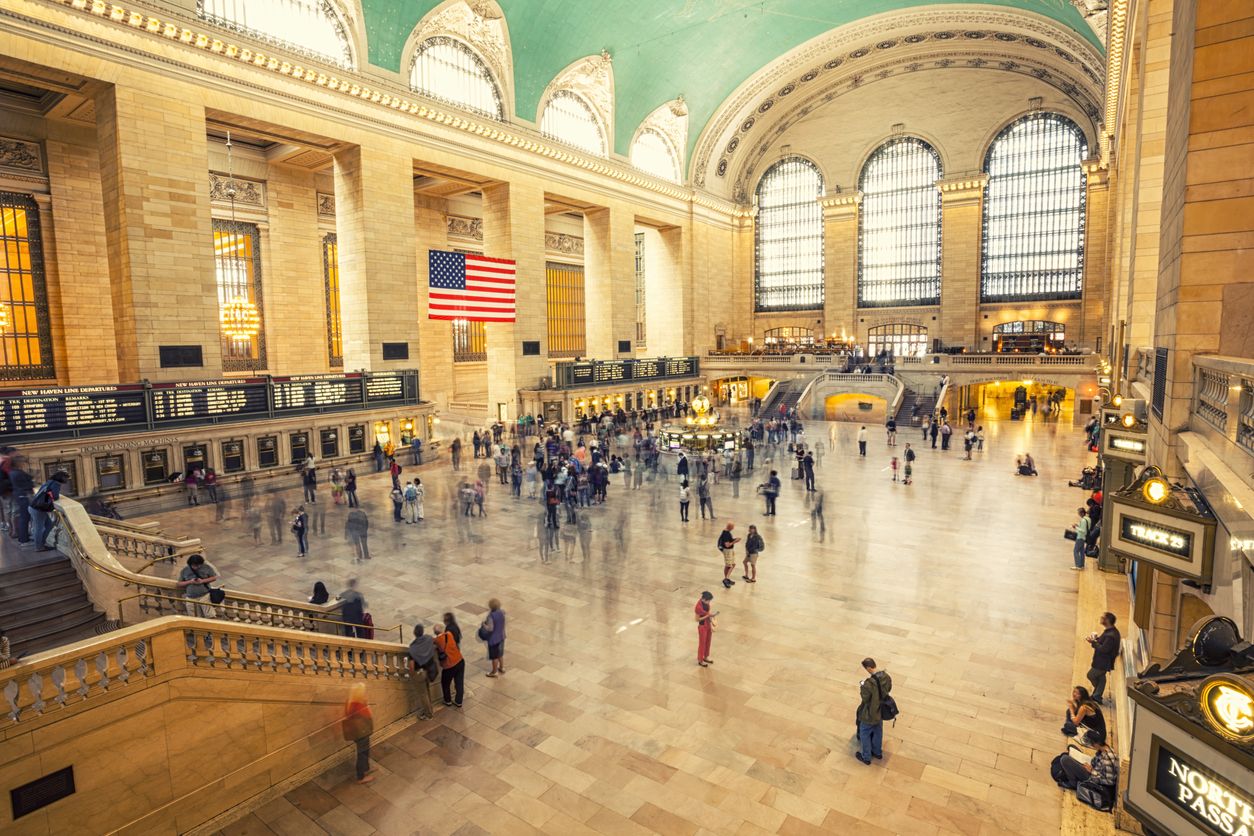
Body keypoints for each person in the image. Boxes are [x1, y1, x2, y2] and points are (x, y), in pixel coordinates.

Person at [1051, 729, 1118, 801]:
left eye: (1092, 745)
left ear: (1096, 744)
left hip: (1093, 780)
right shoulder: (1104, 749)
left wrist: (1091, 771)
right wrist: (1090, 764)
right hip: (1093, 769)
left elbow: (1109, 781)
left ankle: (1072, 783)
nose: (1092, 747)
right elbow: (1096, 762)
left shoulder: (1107, 760)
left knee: (1064, 759)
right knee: (1071, 747)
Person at [855, 657, 892, 765]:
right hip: (881, 710)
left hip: (870, 713)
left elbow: (865, 698)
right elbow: (888, 688)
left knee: (864, 733)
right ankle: (877, 752)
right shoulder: (886, 676)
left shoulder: (868, 684)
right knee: (878, 731)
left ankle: (866, 757)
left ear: (868, 668)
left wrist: (862, 686)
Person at [342, 683, 375, 784]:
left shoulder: (349, 701)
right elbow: (369, 715)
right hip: (362, 733)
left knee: (364, 752)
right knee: (362, 754)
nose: (366, 693)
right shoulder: (359, 705)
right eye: (364, 691)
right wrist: (367, 704)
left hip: (357, 732)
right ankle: (361, 777)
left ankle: (366, 769)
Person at [1085, 612, 1121, 703]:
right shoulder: (1110, 631)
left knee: (1091, 675)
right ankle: (1097, 696)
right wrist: (1096, 639)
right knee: (1101, 677)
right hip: (1102, 661)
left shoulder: (1110, 636)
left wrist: (1093, 642)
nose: (1101, 619)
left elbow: (1104, 649)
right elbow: (1102, 642)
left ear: (1107, 620)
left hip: (1102, 662)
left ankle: (1097, 692)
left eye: (1103, 618)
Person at [29, 471, 69, 551]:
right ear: (61, 477)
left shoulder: (49, 482)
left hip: (35, 507)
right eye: (66, 478)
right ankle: (39, 547)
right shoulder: (56, 484)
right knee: (39, 528)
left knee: (49, 525)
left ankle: (41, 543)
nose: (67, 480)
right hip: (38, 509)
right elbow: (55, 496)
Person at [407, 624, 437, 721]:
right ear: (423, 631)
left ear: (414, 633)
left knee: (423, 694)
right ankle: (430, 709)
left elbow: (411, 666)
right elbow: (435, 641)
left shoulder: (412, 648)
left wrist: (412, 675)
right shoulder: (428, 638)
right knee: (427, 691)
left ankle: (428, 714)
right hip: (430, 670)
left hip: (420, 673)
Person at [434, 618, 466, 708]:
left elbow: (433, 641)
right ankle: (458, 701)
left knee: (445, 683)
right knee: (459, 682)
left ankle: (447, 700)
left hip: (449, 665)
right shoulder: (449, 634)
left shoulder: (437, 640)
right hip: (460, 661)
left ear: (435, 632)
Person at [484, 598, 506, 677]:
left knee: (494, 656)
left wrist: (484, 625)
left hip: (493, 640)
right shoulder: (502, 612)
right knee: (500, 654)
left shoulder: (491, 616)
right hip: (501, 636)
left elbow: (490, 628)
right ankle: (502, 667)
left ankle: (494, 671)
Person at [695, 591, 717, 667]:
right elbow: (697, 619)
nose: (709, 602)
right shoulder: (698, 607)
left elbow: (708, 613)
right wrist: (707, 616)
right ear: (704, 599)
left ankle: (706, 656)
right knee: (702, 643)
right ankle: (700, 660)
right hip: (702, 626)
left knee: (708, 641)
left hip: (707, 624)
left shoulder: (706, 604)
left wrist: (711, 620)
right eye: (708, 601)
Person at [717, 522, 740, 588]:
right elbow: (727, 545)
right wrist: (735, 541)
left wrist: (735, 539)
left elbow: (729, 541)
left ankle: (727, 579)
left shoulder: (726, 532)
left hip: (729, 551)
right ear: (730, 527)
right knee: (730, 565)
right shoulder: (726, 534)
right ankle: (726, 579)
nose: (733, 528)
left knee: (730, 565)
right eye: (733, 527)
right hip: (728, 551)